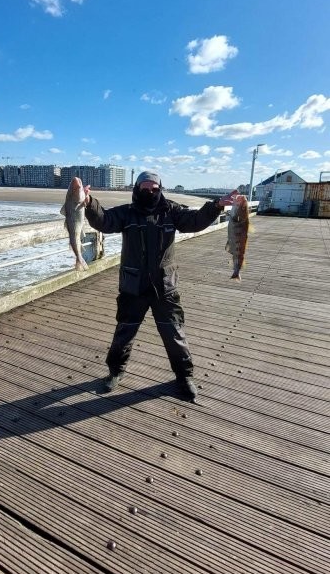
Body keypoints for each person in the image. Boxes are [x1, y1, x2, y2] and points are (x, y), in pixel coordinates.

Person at [84, 171, 236, 403]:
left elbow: (194, 221)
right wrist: (88, 202)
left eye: (155, 189)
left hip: (164, 286)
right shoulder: (127, 213)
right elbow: (103, 220)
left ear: (161, 189)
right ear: (137, 190)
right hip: (133, 285)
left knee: (174, 332)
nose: (150, 192)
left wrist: (216, 206)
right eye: (145, 189)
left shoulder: (171, 211)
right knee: (124, 332)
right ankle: (115, 372)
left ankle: (184, 376)